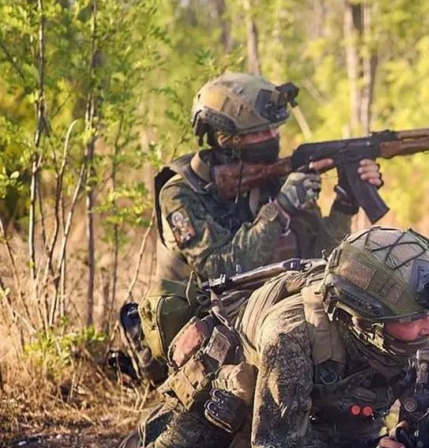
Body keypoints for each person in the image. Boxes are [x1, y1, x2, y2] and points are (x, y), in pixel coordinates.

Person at [110, 226, 429, 448]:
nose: (428, 328)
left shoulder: (412, 327)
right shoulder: (290, 336)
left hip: (315, 403)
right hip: (236, 392)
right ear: (365, 319)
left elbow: (428, 404)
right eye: (413, 319)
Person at [122, 71, 383, 386]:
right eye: (263, 131)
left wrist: (345, 202)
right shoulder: (181, 194)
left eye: (276, 128)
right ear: (225, 139)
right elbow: (221, 270)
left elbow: (320, 256)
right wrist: (281, 209)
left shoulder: (276, 180)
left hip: (265, 311)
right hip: (204, 326)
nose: (274, 137)